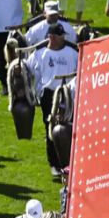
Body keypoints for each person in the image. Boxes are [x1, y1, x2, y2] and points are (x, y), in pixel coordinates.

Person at [27, 24, 78, 177]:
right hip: (49, 95)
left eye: (62, 35)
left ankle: (70, 160)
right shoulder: (41, 53)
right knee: (51, 127)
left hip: (68, 94)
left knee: (70, 125)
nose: (62, 38)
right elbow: (28, 69)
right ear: (51, 36)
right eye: (59, 35)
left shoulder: (72, 53)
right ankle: (54, 163)